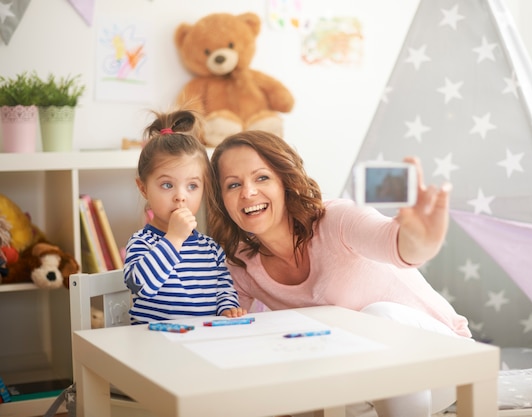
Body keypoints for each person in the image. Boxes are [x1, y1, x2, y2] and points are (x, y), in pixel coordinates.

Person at [206, 130, 472, 417]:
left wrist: (422, 239)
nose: (247, 192)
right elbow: (230, 340)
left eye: (261, 177)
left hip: (442, 359)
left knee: (377, 317)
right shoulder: (241, 265)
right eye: (233, 185)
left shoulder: (337, 220)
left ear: (285, 182)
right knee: (299, 396)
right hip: (364, 377)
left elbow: (395, 242)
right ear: (222, 200)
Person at [123, 109, 246, 324]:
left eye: (192, 186)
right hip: (154, 345)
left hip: (198, 343)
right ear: (143, 188)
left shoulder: (210, 249)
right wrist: (174, 239)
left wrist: (227, 308)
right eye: (167, 185)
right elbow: (140, 287)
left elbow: (223, 290)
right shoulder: (141, 243)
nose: (180, 196)